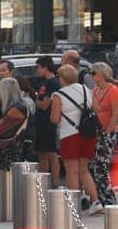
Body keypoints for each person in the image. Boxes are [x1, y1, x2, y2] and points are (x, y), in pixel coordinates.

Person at [50, 63, 99, 208]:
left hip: (70, 135)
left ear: (63, 78)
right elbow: (97, 108)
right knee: (84, 170)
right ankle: (95, 201)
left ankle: (73, 205)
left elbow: (54, 118)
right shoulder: (86, 90)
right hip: (88, 134)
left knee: (72, 172)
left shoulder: (58, 95)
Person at [88, 60, 118, 206]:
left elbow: (115, 114)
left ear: (102, 74)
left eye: (93, 73)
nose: (91, 76)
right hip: (95, 133)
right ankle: (99, 198)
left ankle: (109, 199)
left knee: (102, 167)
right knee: (93, 167)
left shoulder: (113, 90)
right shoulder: (93, 91)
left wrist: (107, 133)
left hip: (108, 133)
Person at [31, 56, 61, 187]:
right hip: (40, 122)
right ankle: (45, 182)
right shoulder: (45, 82)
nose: (36, 70)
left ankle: (54, 183)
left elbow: (45, 105)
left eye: (38, 67)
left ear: (45, 67)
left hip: (48, 122)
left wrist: (33, 99)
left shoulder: (53, 83)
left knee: (51, 154)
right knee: (41, 152)